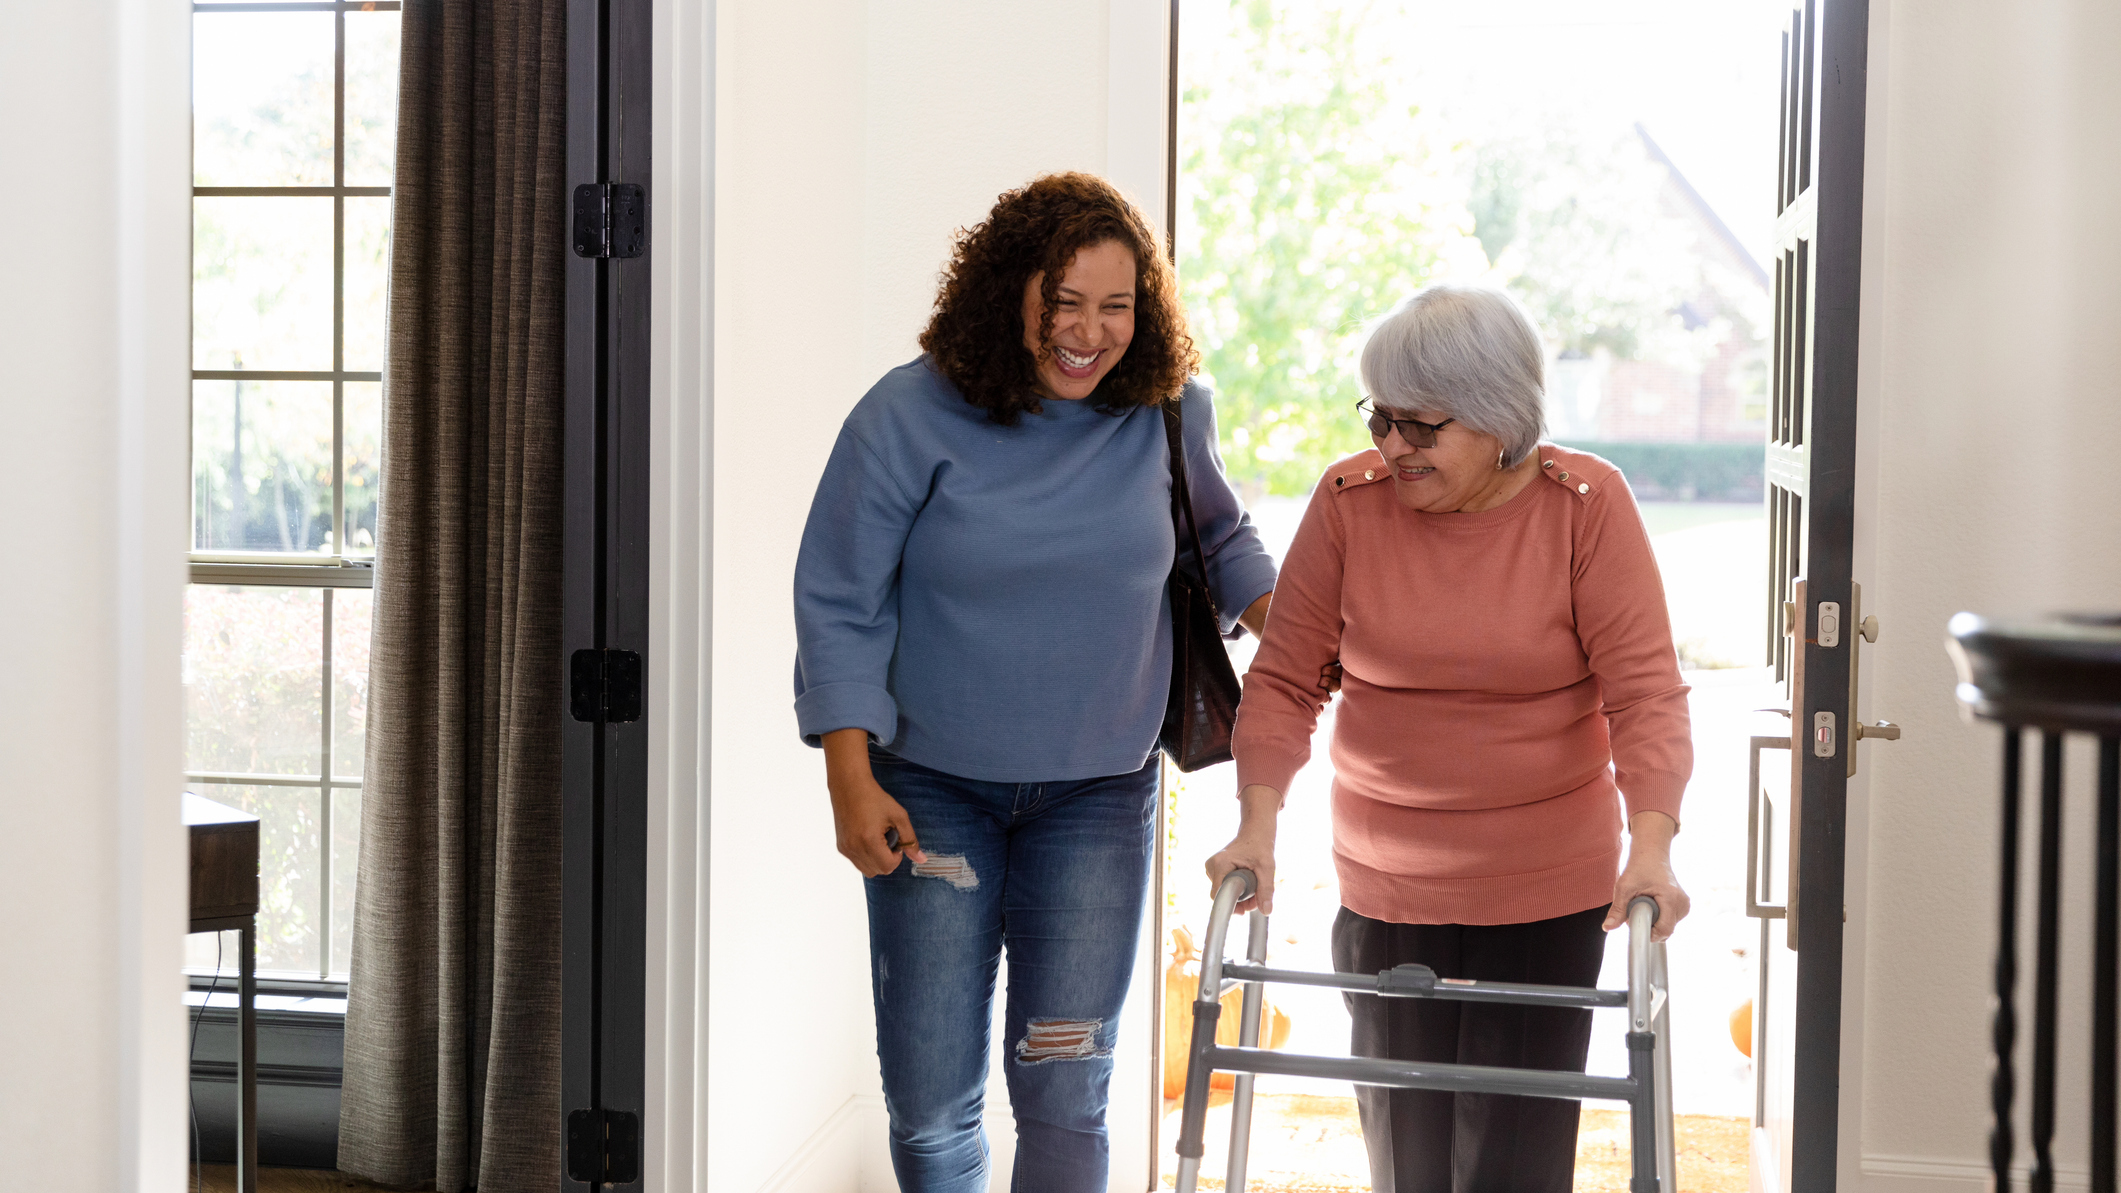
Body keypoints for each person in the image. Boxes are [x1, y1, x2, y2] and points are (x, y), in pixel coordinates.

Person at [793, 172, 1277, 1192]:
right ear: (1007, 291)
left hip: (1097, 798)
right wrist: (847, 774)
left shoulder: (1167, 412)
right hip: (930, 795)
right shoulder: (906, 414)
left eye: (1116, 306)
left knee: (1067, 1090)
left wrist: (1309, 638)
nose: (1089, 334)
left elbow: (1222, 541)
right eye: (1064, 302)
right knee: (932, 1101)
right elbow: (839, 598)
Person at [1207, 284, 1694, 1193]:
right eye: (1380, 418)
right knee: (1405, 1155)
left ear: (1499, 418)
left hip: (1545, 885)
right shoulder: (1349, 502)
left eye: (1422, 426)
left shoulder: (1584, 505)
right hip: (1385, 883)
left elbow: (1646, 694)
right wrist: (1256, 826)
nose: (1393, 445)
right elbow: (1283, 678)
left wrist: (1652, 846)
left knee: (1513, 1163)